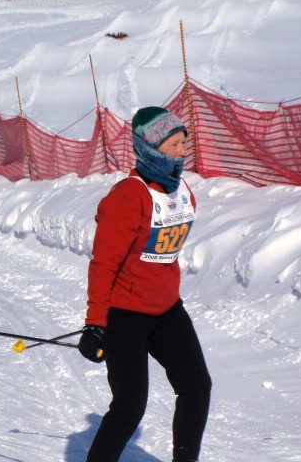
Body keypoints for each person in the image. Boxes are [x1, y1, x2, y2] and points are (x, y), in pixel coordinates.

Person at [78, 107, 212, 462]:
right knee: (129, 405)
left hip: (166, 309)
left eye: (184, 142)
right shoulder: (129, 196)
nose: (183, 151)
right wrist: (96, 324)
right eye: (175, 144)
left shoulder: (181, 190)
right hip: (125, 315)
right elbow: (104, 264)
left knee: (197, 386)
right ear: (152, 149)